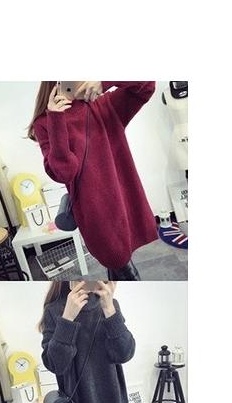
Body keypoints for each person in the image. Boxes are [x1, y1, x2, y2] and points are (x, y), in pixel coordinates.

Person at [29, 81, 157, 280]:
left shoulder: (105, 105)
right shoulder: (45, 123)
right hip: (97, 215)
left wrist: (105, 80)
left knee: (119, 265)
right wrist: (56, 119)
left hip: (125, 200)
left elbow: (147, 85)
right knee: (120, 264)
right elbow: (64, 173)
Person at [39, 280, 135, 403]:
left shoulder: (109, 304)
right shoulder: (55, 311)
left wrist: (109, 309)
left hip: (113, 402)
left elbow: (124, 353)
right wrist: (68, 318)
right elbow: (55, 364)